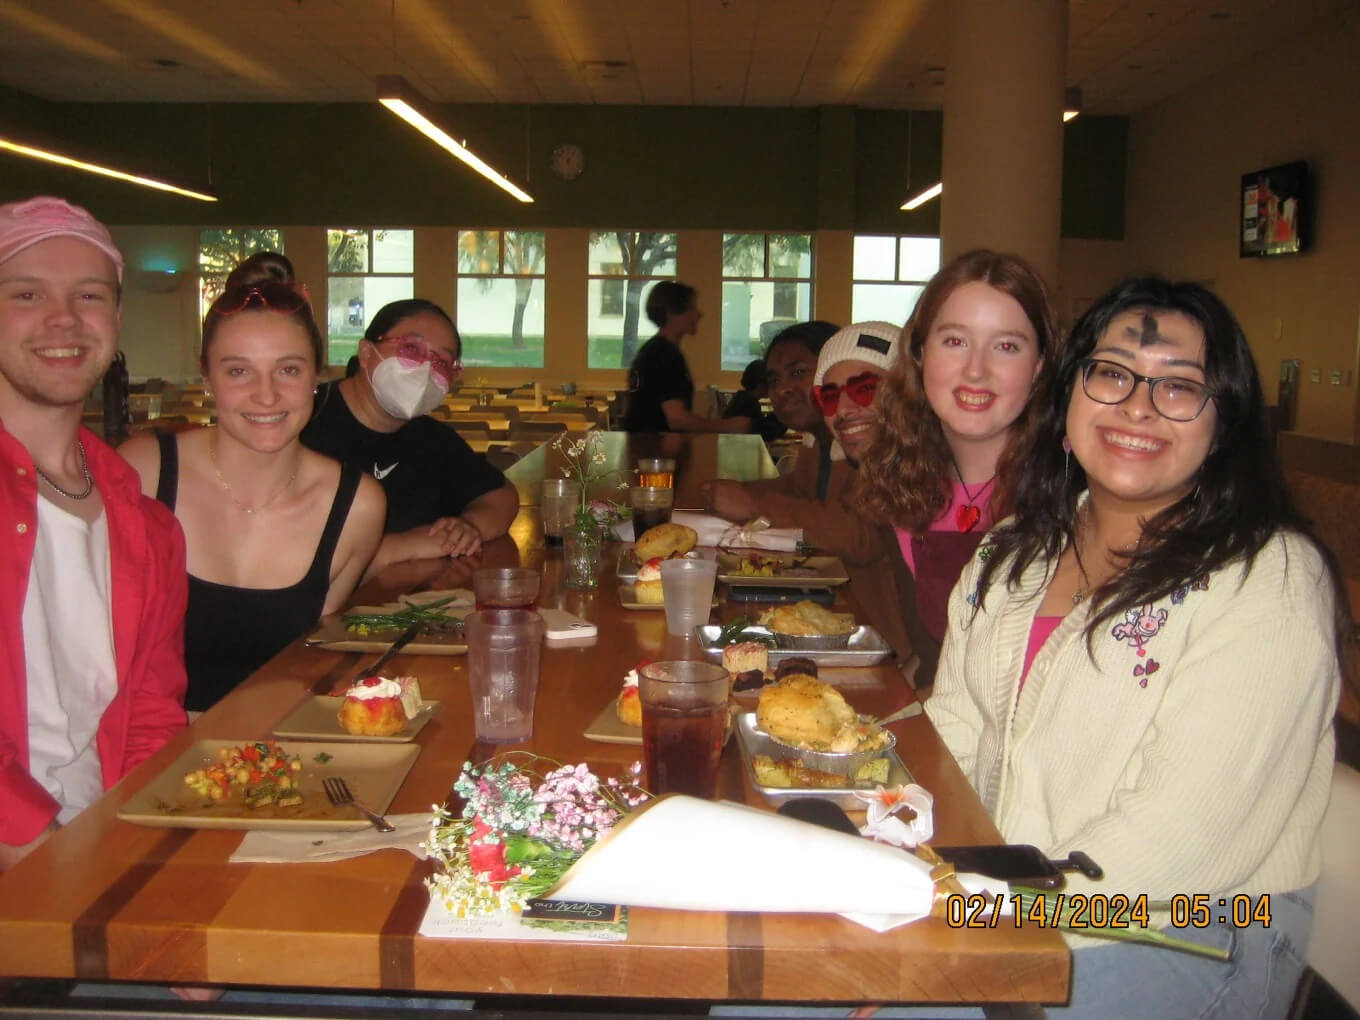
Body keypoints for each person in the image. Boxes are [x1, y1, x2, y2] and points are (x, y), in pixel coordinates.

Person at [927, 278, 1346, 1017]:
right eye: (1113, 373)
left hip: (1186, 922)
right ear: (1068, 404)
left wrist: (957, 929)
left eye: (1181, 387)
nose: (1139, 407)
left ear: (1225, 428)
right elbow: (950, 738)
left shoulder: (1267, 578)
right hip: (1004, 899)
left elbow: (1174, 846)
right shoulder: (1011, 556)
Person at [0, 196, 187, 871]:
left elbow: (149, 718)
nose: (63, 319)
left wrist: (155, 874)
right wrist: (73, 903)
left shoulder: (145, 522)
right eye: (27, 293)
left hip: (97, 851)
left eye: (89, 294)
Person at [119, 259, 386, 712]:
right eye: (238, 371)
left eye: (289, 370)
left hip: (267, 754)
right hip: (143, 752)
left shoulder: (356, 505)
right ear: (206, 378)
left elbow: (305, 664)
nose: (266, 396)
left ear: (318, 377)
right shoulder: (145, 472)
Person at [856, 250, 1058, 688]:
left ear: (1039, 366)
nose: (976, 370)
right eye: (955, 341)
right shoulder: (902, 483)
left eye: (1006, 346)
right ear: (920, 351)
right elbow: (931, 659)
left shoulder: (1068, 497)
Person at [702, 322, 914, 666]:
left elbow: (859, 535)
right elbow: (800, 492)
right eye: (774, 380)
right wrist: (739, 492)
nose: (784, 388)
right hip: (847, 614)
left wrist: (753, 502)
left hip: (888, 646)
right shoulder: (822, 438)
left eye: (797, 372)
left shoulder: (882, 454)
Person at [300, 298, 518, 568]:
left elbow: (501, 496)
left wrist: (470, 526)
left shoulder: (431, 439)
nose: (425, 368)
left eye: (442, 362)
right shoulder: (301, 421)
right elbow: (291, 552)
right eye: (411, 349)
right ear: (367, 353)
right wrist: (406, 546)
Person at [622, 281, 753, 433]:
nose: (699, 314)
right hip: (654, 452)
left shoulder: (651, 351)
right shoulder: (665, 355)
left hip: (644, 450)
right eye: (691, 308)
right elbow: (677, 419)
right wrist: (728, 426)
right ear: (671, 313)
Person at [722, 359, 785, 441]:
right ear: (761, 384)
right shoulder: (748, 404)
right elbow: (763, 433)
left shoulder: (743, 397)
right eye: (772, 382)